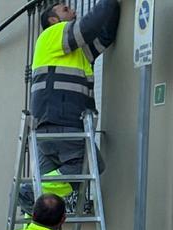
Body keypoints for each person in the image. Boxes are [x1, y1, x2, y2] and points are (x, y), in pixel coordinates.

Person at [19, 0, 120, 210]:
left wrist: (114, 7)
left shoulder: (77, 53)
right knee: (90, 165)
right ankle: (31, 192)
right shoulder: (52, 34)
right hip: (60, 121)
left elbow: (105, 36)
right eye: (66, 9)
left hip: (51, 123)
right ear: (53, 20)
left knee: (45, 196)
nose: (73, 11)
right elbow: (89, 25)